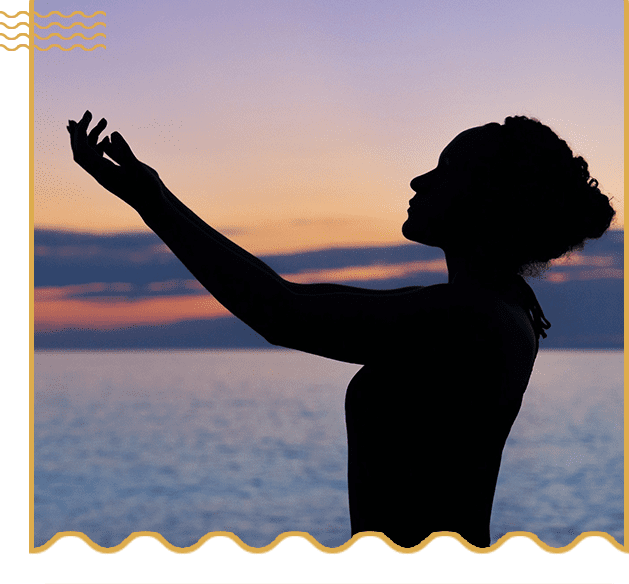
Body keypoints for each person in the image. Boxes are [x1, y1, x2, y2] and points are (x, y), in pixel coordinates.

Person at [67, 111, 616, 548]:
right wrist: (153, 198)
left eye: (443, 171)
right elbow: (290, 300)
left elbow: (279, 312)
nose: (418, 179)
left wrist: (152, 201)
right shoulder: (490, 308)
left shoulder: (470, 320)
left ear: (483, 201)